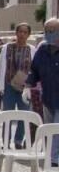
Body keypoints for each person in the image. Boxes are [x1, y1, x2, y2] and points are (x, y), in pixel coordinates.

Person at [25, 18, 59, 163]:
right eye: (47, 30)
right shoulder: (43, 49)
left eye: (52, 30)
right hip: (48, 97)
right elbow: (34, 70)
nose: (49, 33)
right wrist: (27, 86)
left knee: (57, 131)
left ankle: (54, 160)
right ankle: (50, 157)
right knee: (48, 129)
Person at [0, 23, 35, 148]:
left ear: (28, 35)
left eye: (25, 32)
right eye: (20, 31)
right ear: (16, 33)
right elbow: (1, 66)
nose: (22, 34)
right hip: (9, 85)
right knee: (7, 114)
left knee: (24, 115)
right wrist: (0, 86)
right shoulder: (7, 48)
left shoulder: (32, 50)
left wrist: (31, 86)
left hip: (25, 88)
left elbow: (34, 69)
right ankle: (6, 141)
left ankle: (18, 140)